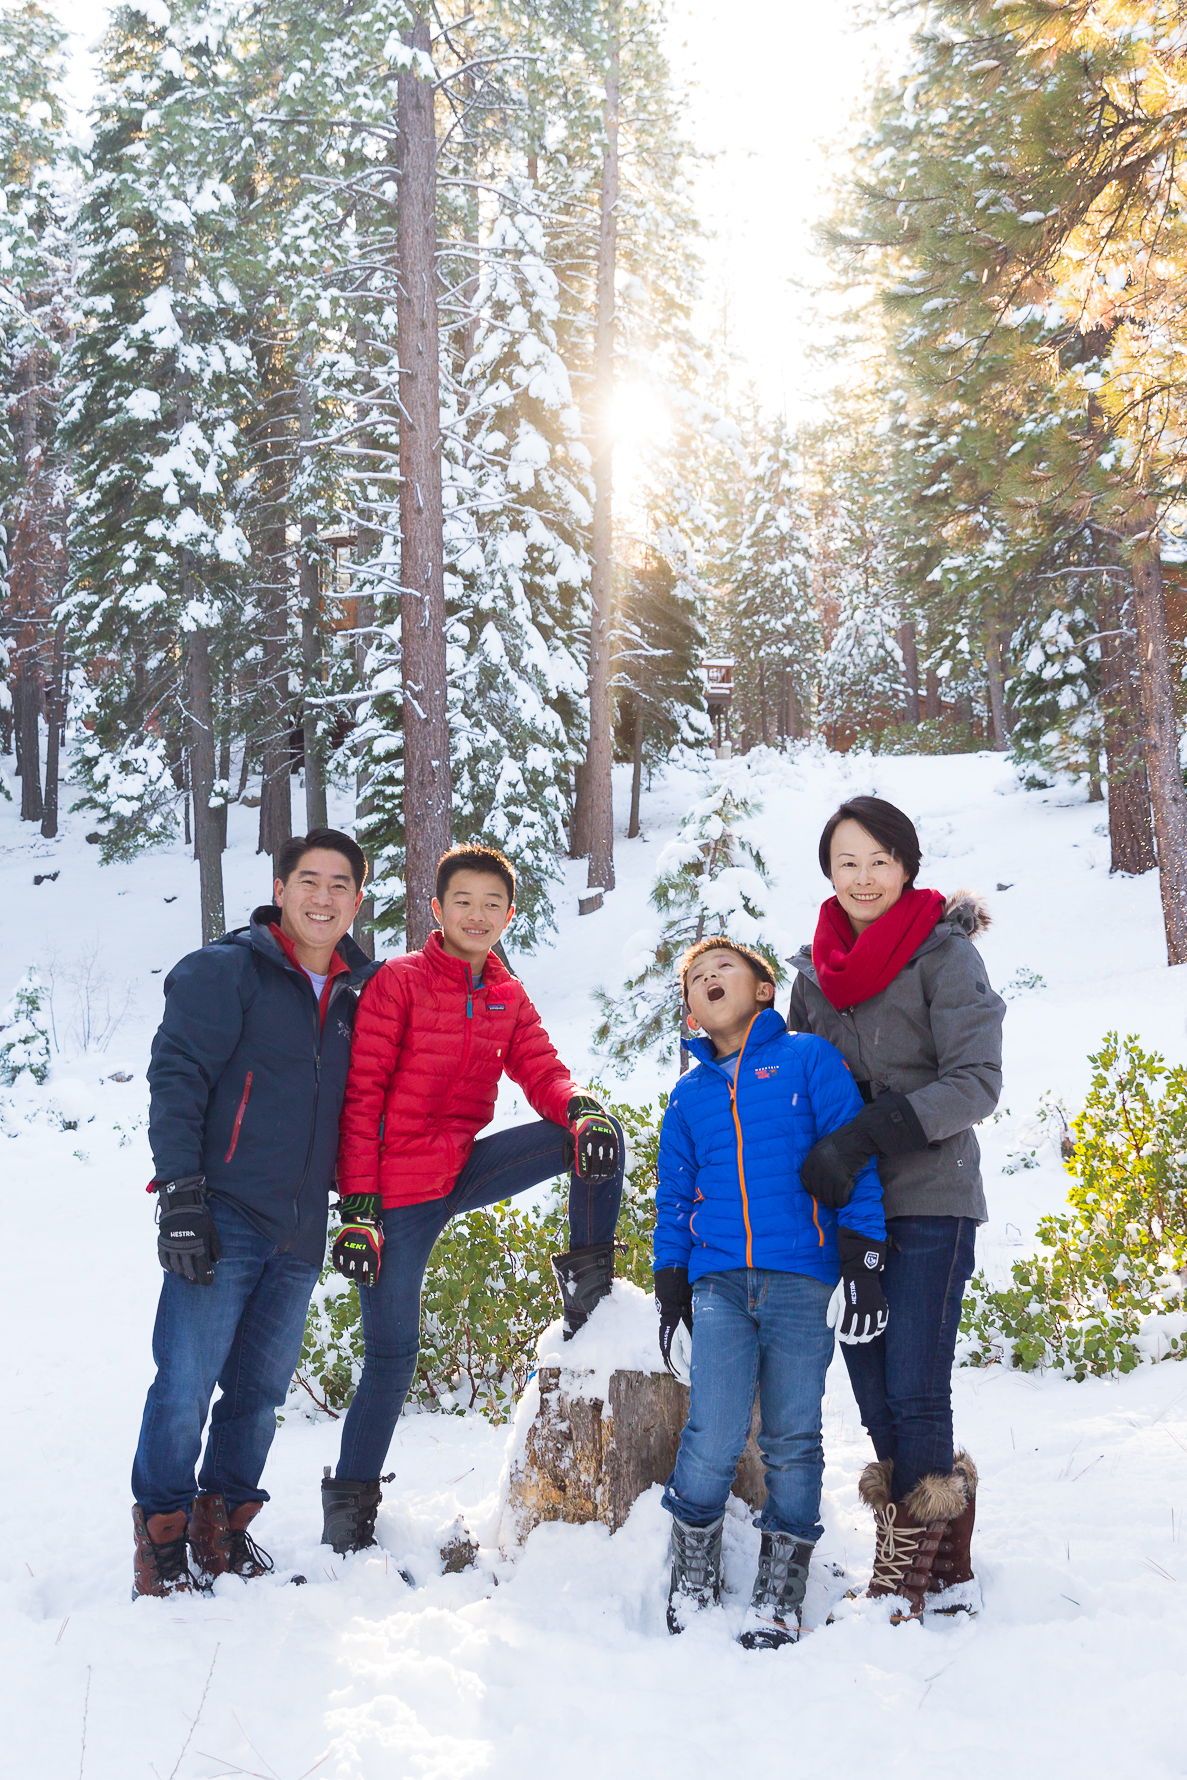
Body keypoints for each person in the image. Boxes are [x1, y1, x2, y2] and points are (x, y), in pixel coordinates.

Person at [323, 843, 623, 1556]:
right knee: (392, 1359)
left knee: (591, 1136)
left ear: (508, 915)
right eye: (464, 901)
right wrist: (358, 1210)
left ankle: (587, 1294)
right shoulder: (397, 983)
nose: (478, 914)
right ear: (436, 908)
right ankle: (348, 1525)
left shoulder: (505, 994)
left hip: (461, 1167)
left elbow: (542, 1070)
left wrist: (578, 1105)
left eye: (492, 903)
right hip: (395, 1196)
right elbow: (360, 1098)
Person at [131, 829, 378, 1599]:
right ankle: (162, 1536)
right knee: (185, 1381)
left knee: (260, 1394)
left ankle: (223, 1525)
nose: (323, 898)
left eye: (340, 885)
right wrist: (180, 1195)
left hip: (302, 1225)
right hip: (223, 1210)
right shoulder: (225, 971)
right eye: (309, 880)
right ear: (279, 888)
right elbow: (177, 1078)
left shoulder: (357, 993)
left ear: (357, 901)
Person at [790, 795, 1005, 1619]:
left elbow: (976, 1081)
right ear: (829, 873)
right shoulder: (814, 975)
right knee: (872, 1388)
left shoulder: (943, 956)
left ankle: (902, 1576)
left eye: (879, 859)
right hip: (854, 1213)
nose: (863, 876)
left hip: (933, 1195)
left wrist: (872, 1128)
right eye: (847, 862)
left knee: (914, 1384)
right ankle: (944, 1565)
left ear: (906, 864)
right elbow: (804, 1090)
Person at [653, 937, 887, 1648]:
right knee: (714, 1430)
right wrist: (671, 1293)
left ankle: (778, 1590)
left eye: (724, 968)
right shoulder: (689, 1094)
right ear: (690, 1011)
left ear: (761, 989)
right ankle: (692, 1574)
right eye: (695, 977)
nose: (708, 979)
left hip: (802, 1278)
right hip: (718, 1281)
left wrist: (864, 1257)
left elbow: (852, 1157)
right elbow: (673, 1195)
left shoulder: (807, 1059)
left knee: (791, 1436)